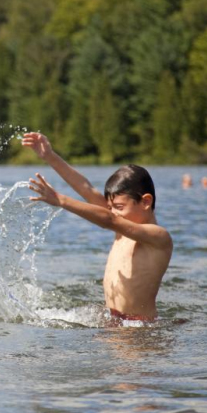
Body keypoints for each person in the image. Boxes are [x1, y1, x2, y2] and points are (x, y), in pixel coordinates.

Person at [22, 132, 173, 322]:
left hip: (139, 329)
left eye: (119, 207)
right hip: (113, 322)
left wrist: (61, 200)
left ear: (145, 202)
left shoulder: (158, 237)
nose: (113, 212)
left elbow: (109, 219)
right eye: (110, 207)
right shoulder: (122, 228)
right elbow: (86, 188)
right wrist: (50, 156)